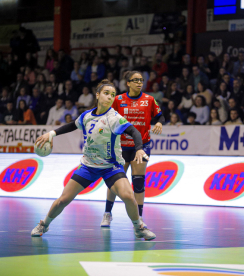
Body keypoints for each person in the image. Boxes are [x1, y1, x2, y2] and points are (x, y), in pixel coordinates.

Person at [31, 79, 156, 241]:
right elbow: (72, 126)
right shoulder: (87, 116)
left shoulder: (115, 118)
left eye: (113, 95)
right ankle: (44, 224)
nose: (110, 97)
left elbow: (134, 132)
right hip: (88, 166)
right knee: (63, 200)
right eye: (106, 93)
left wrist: (139, 148)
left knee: (128, 196)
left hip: (110, 167)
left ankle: (138, 227)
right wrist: (52, 134)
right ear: (97, 95)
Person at [101, 71, 164, 228]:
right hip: (120, 147)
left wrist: (159, 123)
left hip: (141, 147)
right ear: (127, 83)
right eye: (135, 80)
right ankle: (107, 214)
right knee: (114, 183)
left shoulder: (149, 100)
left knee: (138, 182)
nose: (139, 82)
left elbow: (160, 116)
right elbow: (106, 116)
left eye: (141, 80)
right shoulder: (118, 100)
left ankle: (139, 218)